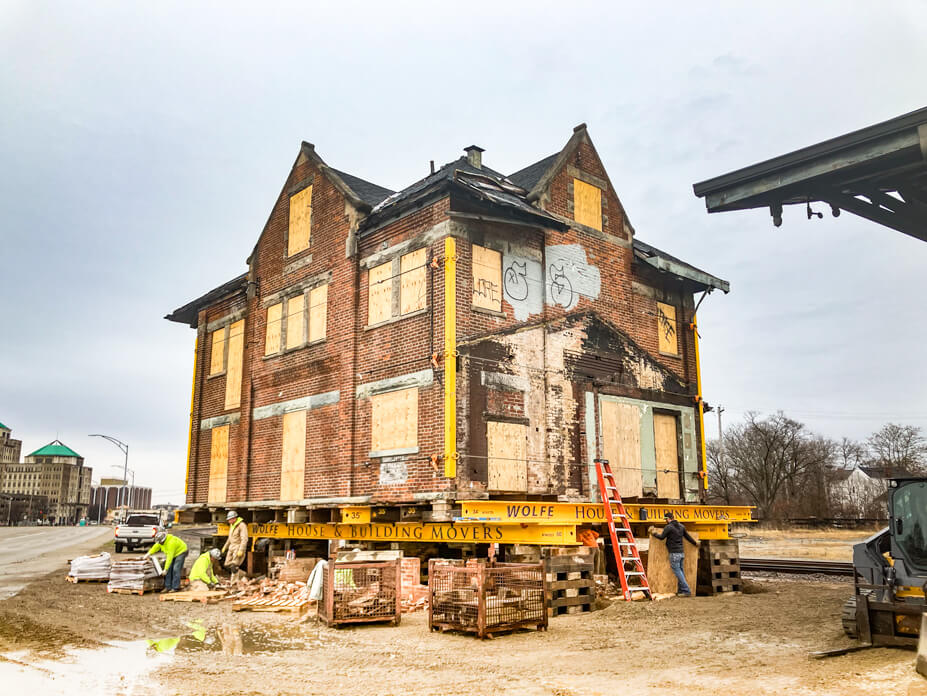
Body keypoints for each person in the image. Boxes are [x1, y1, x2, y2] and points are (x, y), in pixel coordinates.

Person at [650, 512, 698, 597]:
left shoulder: (668, 527)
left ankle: (686, 591)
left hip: (674, 553)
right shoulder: (681, 526)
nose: (665, 521)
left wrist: (653, 533)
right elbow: (687, 537)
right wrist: (695, 543)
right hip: (681, 553)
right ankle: (681, 591)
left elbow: (661, 537)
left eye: (666, 519)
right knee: (681, 572)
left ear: (668, 519)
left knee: (678, 572)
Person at [221, 510, 249, 584]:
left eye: (230, 519)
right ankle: (242, 574)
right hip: (231, 547)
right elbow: (230, 538)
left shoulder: (242, 525)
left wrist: (241, 549)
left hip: (238, 547)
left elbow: (244, 539)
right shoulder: (232, 525)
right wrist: (225, 547)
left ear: (234, 518)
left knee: (234, 566)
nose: (229, 521)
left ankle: (233, 583)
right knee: (226, 564)